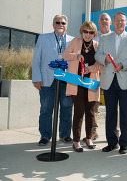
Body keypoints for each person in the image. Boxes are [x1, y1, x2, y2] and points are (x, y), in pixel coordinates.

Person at [95, 12, 127, 154]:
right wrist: (105, 60)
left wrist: (122, 64)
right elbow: (98, 55)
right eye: (117, 20)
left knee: (125, 113)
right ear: (113, 23)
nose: (120, 23)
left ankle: (124, 143)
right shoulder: (105, 38)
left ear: (126, 23)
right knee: (110, 113)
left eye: (122, 20)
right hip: (109, 81)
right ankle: (112, 142)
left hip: (125, 80)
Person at [32, 15, 74, 146]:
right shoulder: (43, 38)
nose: (60, 24)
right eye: (57, 22)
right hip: (47, 80)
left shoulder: (73, 40)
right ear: (53, 24)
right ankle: (45, 135)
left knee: (67, 108)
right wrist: (36, 78)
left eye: (63, 23)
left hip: (66, 80)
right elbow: (36, 59)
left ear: (67, 25)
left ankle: (65, 134)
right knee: (46, 109)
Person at [62, 21, 102, 152]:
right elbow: (65, 55)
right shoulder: (75, 41)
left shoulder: (97, 45)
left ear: (94, 34)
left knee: (90, 113)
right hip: (76, 82)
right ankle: (76, 141)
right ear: (82, 31)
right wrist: (77, 56)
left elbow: (100, 65)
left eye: (91, 32)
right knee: (79, 112)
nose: (88, 34)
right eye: (86, 31)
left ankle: (89, 138)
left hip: (91, 83)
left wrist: (89, 69)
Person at [84, 13, 112, 142]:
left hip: (111, 75)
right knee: (93, 105)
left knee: (111, 104)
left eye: (106, 19)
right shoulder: (92, 37)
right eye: (102, 19)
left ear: (110, 22)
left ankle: (114, 132)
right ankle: (93, 132)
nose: (104, 21)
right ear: (99, 23)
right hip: (95, 75)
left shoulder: (115, 37)